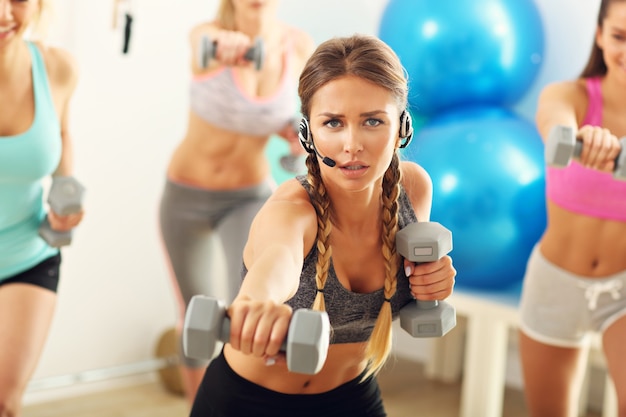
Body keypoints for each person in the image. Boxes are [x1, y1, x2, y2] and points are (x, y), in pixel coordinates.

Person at [188, 34, 457, 417]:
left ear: (401, 127)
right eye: (333, 123)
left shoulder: (413, 190)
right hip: (248, 402)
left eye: (372, 121)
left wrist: (433, 282)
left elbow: (417, 278)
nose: (352, 144)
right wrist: (255, 305)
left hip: (351, 396)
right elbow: (275, 263)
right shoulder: (292, 209)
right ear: (307, 133)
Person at [158, 0, 315, 404]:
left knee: (247, 307)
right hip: (185, 195)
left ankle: (241, 406)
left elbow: (304, 113)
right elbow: (203, 46)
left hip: (247, 198)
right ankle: (200, 409)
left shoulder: (298, 47)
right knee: (195, 311)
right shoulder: (207, 35)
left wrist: (290, 131)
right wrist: (223, 43)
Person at [518, 0, 626, 415]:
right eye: (619, 37)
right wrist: (582, 138)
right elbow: (556, 126)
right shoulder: (571, 95)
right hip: (555, 281)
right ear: (600, 35)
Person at [0, 0, 83, 415]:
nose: (3, 14)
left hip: (27, 254)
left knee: (4, 403)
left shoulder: (57, 68)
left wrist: (65, 193)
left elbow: (61, 130)